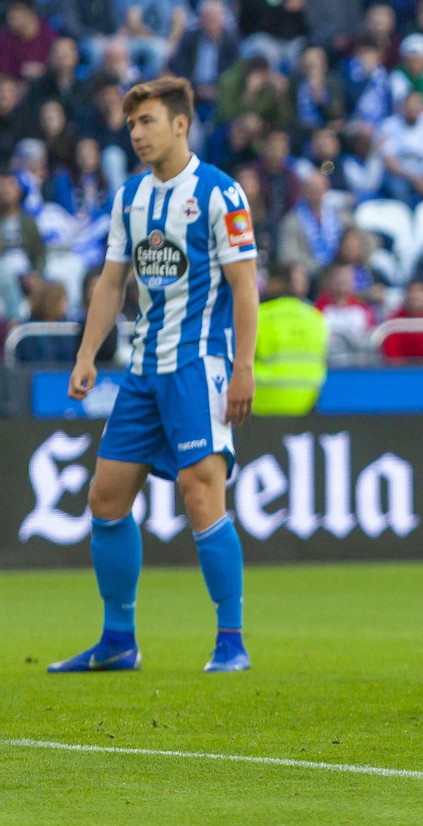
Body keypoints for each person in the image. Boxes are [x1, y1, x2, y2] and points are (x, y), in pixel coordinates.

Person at [51, 77, 259, 675]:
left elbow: (246, 285)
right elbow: (112, 282)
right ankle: (118, 640)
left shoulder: (221, 194)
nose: (137, 134)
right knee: (106, 497)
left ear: (180, 124)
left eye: (147, 122)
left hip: (200, 366)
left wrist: (244, 365)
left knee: (200, 493)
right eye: (131, 125)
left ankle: (231, 640)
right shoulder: (129, 199)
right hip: (142, 369)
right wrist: (87, 354)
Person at [253, 264, 328, 415]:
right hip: (306, 403)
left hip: (262, 403)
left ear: (277, 283)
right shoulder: (315, 316)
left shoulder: (258, 316)